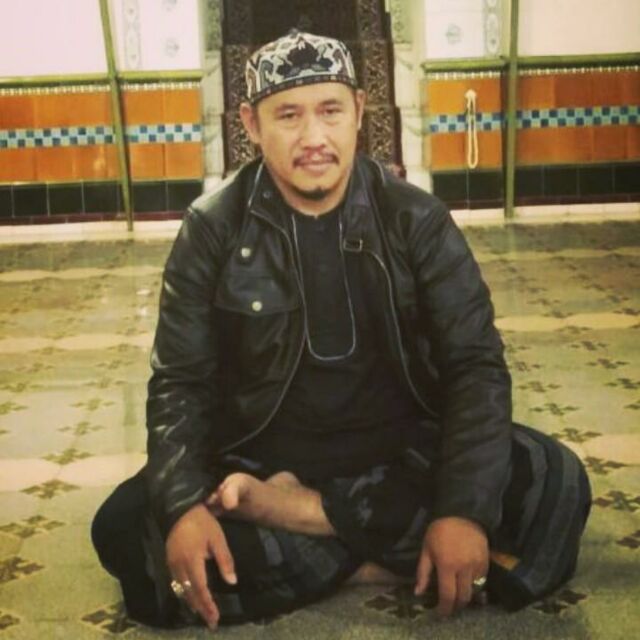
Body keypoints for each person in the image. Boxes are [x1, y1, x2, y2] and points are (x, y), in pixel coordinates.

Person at [91, 30, 591, 631]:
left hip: (401, 452)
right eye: (288, 116)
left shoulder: (417, 219)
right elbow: (180, 381)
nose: (313, 138)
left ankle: (304, 521)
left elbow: (474, 367)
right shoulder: (213, 228)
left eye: (330, 111)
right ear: (251, 124)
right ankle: (395, 559)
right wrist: (180, 509)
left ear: (358, 111)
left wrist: (462, 510)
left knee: (555, 480)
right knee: (127, 529)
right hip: (261, 453)